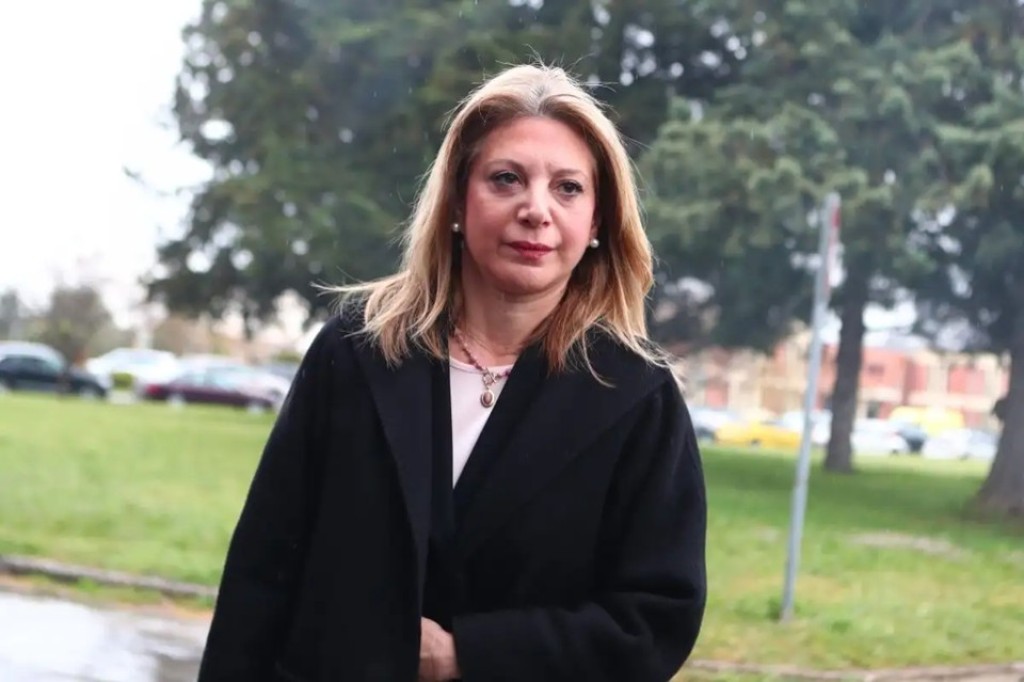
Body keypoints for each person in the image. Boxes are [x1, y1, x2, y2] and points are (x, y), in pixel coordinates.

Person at [197, 63, 707, 682]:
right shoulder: (356, 352)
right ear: (458, 200)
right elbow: (262, 568)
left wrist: (466, 653)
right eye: (506, 179)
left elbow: (652, 623)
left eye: (568, 188)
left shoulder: (635, 397)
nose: (536, 210)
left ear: (597, 221)